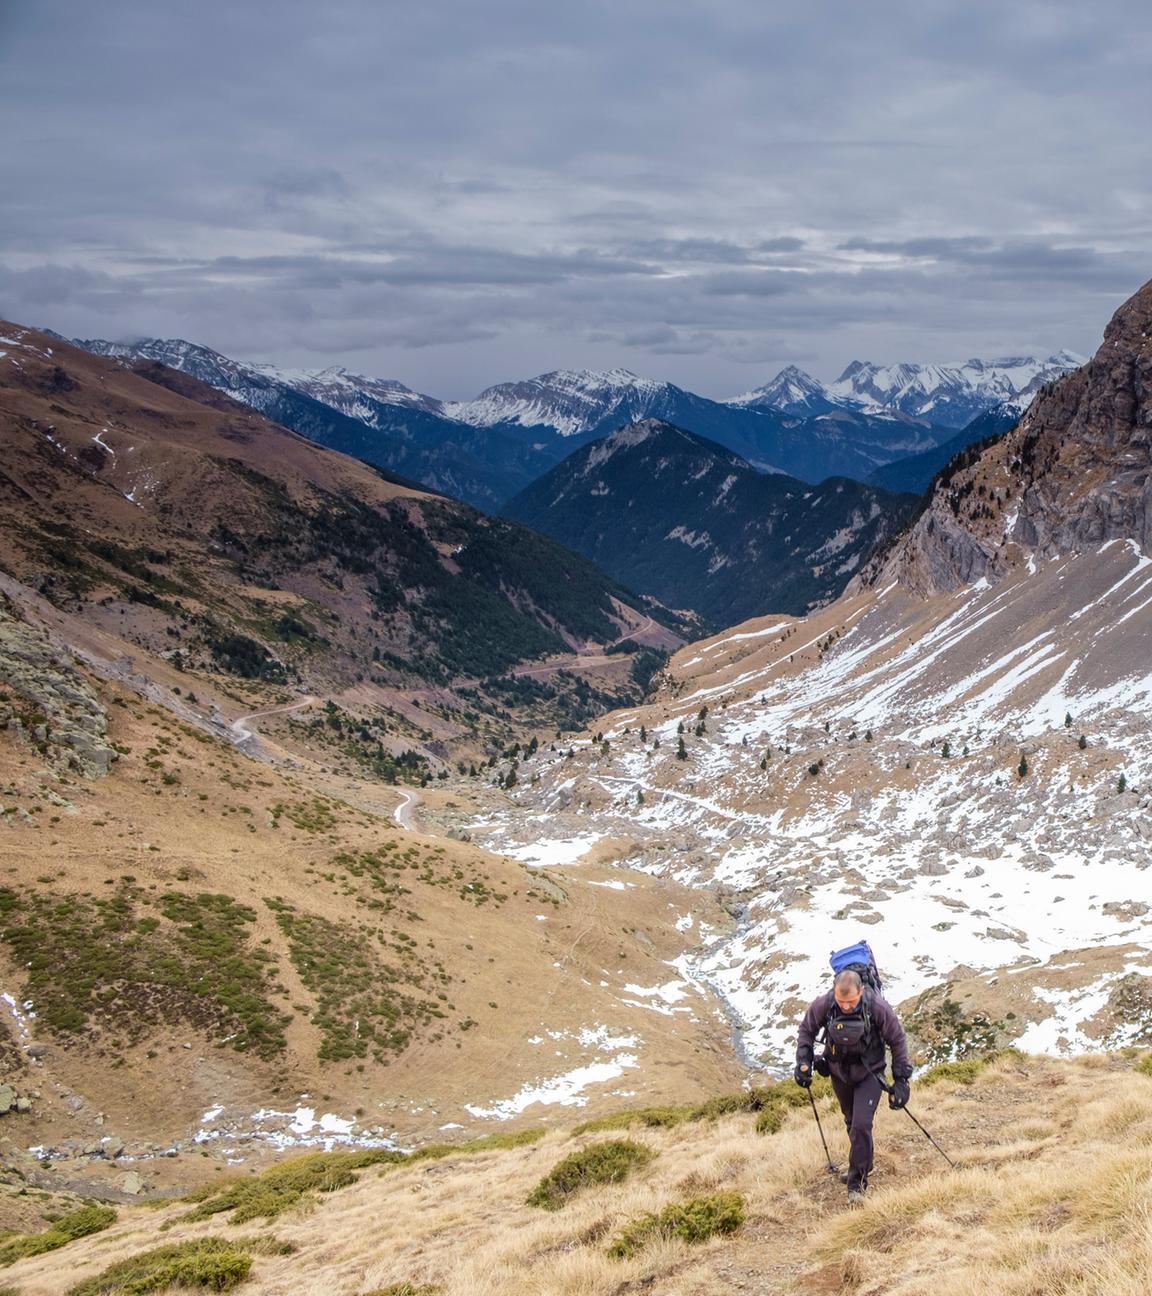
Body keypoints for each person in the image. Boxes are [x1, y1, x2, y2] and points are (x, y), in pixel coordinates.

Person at [794, 968, 912, 1204]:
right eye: (841, 1001)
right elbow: (806, 1031)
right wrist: (803, 1062)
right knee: (851, 1121)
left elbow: (897, 1039)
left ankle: (856, 1186)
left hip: (870, 1074)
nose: (846, 1006)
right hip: (839, 1072)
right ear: (834, 993)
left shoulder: (876, 1007)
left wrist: (901, 1080)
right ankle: (864, 1164)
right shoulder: (824, 1004)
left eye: (851, 1001)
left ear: (861, 991)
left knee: (860, 1125)